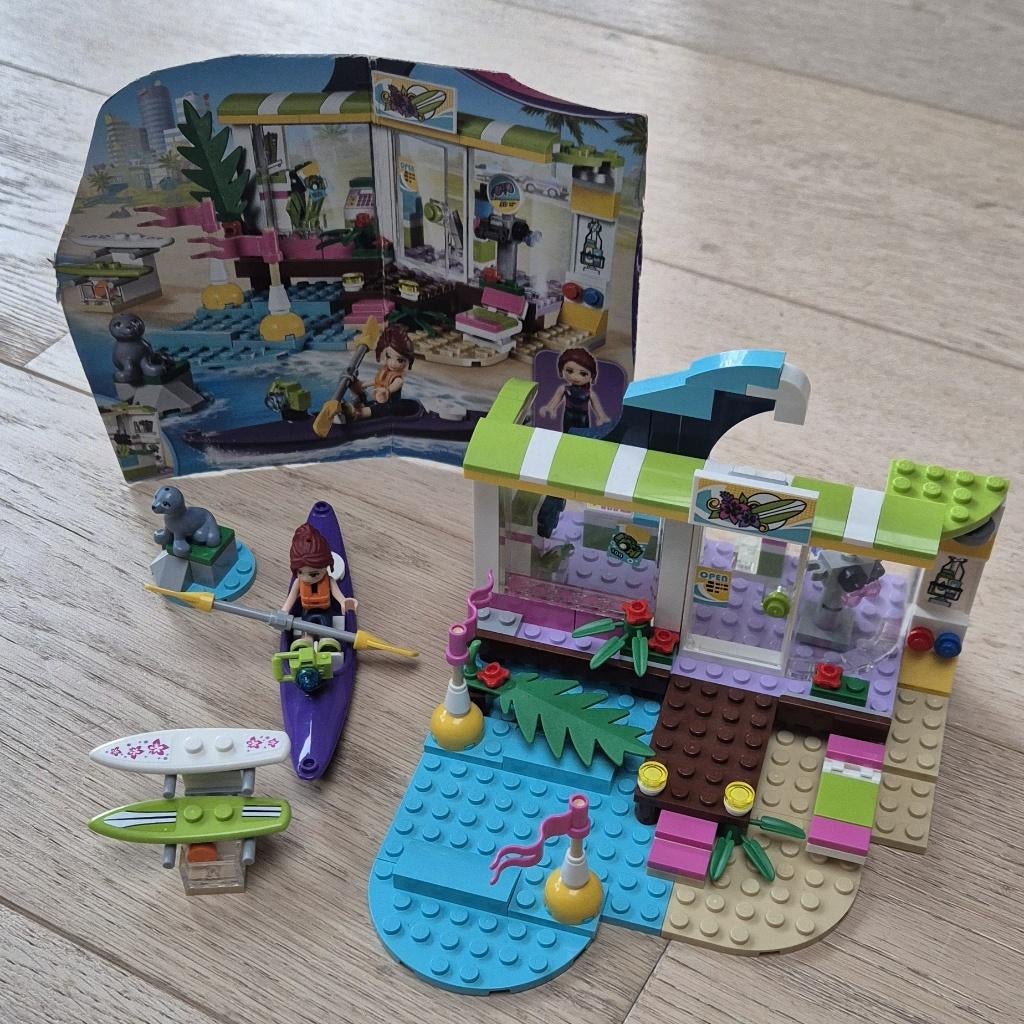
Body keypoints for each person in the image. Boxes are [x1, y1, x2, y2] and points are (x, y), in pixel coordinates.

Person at [282, 524, 357, 649]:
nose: (305, 578)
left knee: (326, 629)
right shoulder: (298, 582)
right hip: (306, 612)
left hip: (326, 611)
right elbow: (291, 598)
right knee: (307, 631)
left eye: (313, 574)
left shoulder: (328, 580)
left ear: (326, 566)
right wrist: (284, 611)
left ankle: (326, 641)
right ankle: (306, 641)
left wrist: (344, 602)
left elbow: (338, 594)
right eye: (300, 572)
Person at [350, 324, 418, 419]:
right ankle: (354, 409)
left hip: (391, 408)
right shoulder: (385, 372)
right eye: (388, 357)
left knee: (367, 411)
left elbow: (395, 385)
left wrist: (386, 390)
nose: (393, 363)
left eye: (400, 360)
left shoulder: (398, 379)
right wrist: (363, 384)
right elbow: (376, 381)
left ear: (408, 361)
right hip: (380, 403)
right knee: (364, 404)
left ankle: (353, 414)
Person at [538, 348, 610, 432]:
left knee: (582, 436)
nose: (575, 377)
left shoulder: (589, 393)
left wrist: (602, 416)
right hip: (568, 416)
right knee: (566, 434)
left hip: (582, 418)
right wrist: (550, 408)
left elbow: (596, 406)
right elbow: (556, 399)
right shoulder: (564, 389)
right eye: (570, 371)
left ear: (592, 375)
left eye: (583, 373)